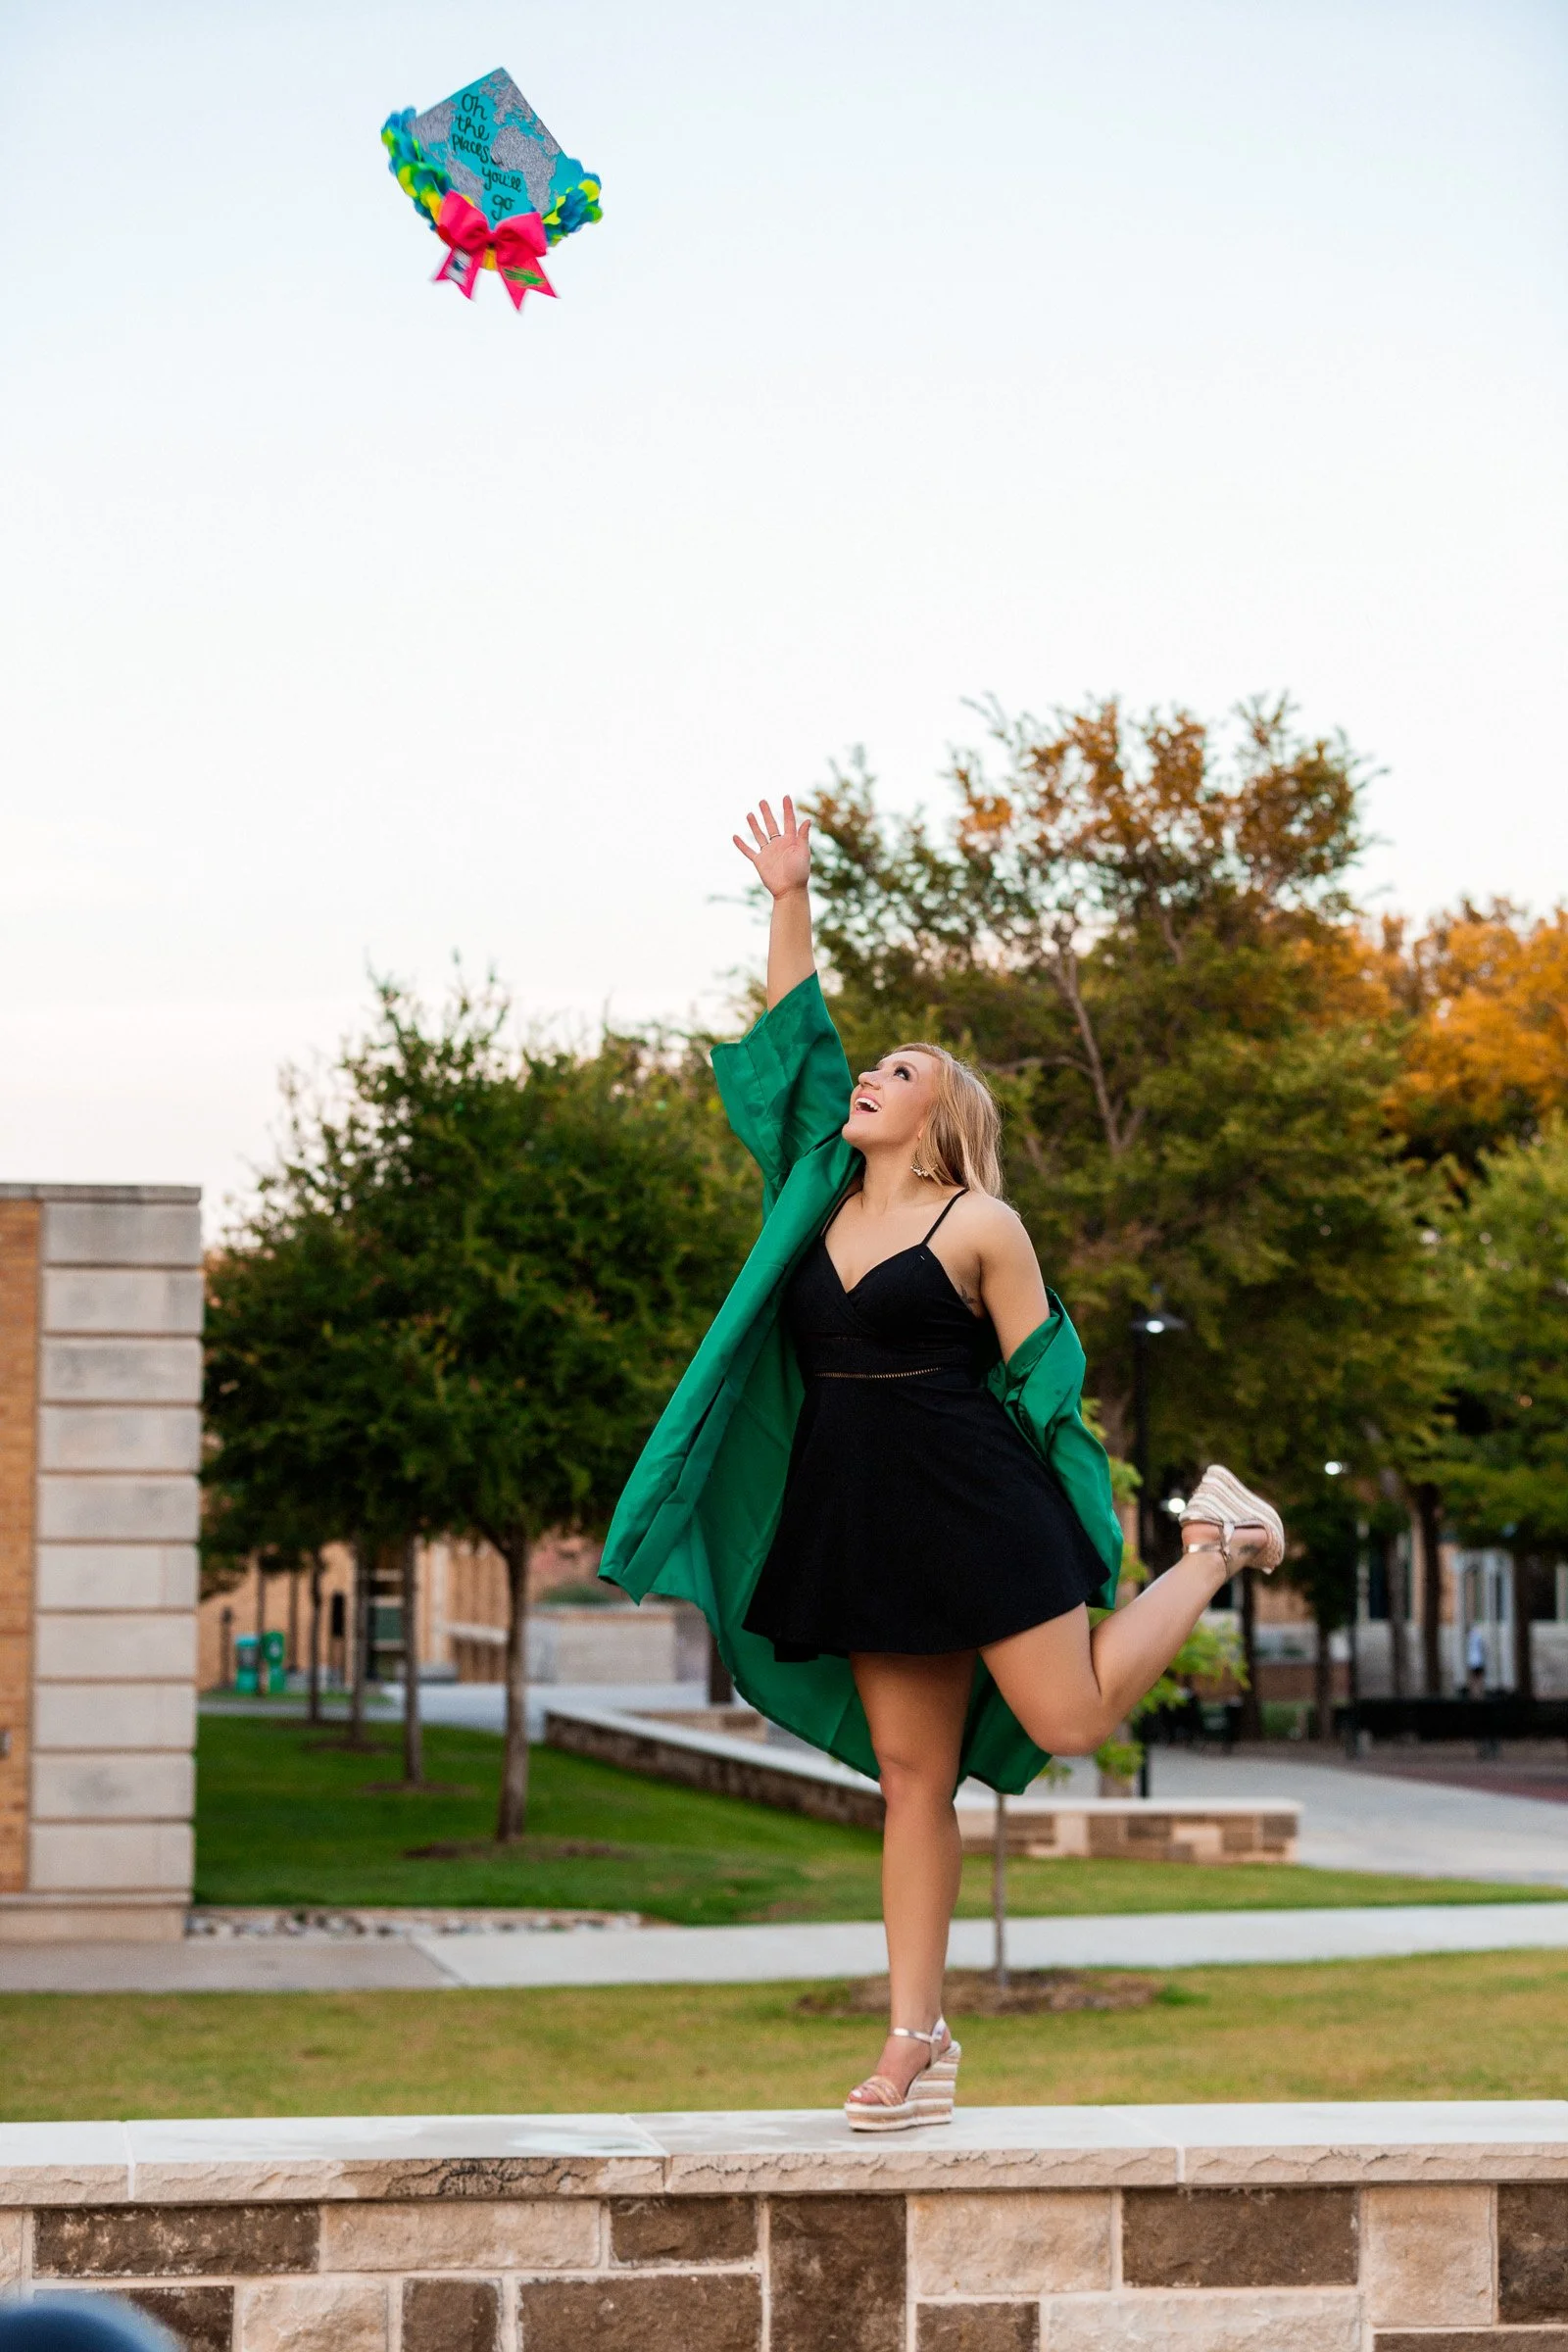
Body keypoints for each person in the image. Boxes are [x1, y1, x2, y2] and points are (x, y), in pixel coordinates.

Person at [600, 797, 1284, 2131]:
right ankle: (917, 2038)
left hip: (976, 1502)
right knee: (915, 1784)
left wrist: (1091, 1515)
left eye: (902, 1070)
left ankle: (1214, 1547)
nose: (873, 1077)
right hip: (858, 1514)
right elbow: (798, 1047)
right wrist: (789, 898)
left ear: (941, 1114)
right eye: (874, 1067)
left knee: (1073, 1721)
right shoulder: (812, 1197)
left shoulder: (985, 1226)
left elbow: (1044, 1382)